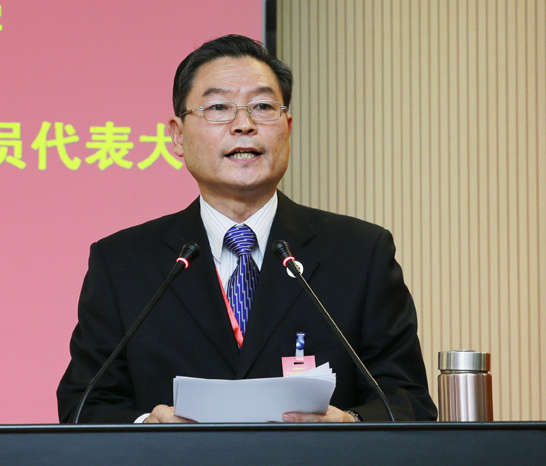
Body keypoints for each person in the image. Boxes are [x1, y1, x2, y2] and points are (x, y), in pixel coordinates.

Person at [57, 34, 437, 424]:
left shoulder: (360, 253)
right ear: (177, 136)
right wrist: (146, 427)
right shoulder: (123, 262)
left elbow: (408, 402)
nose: (244, 125)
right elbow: (83, 406)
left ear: (288, 128)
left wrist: (348, 423)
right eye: (219, 107)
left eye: (263, 107)